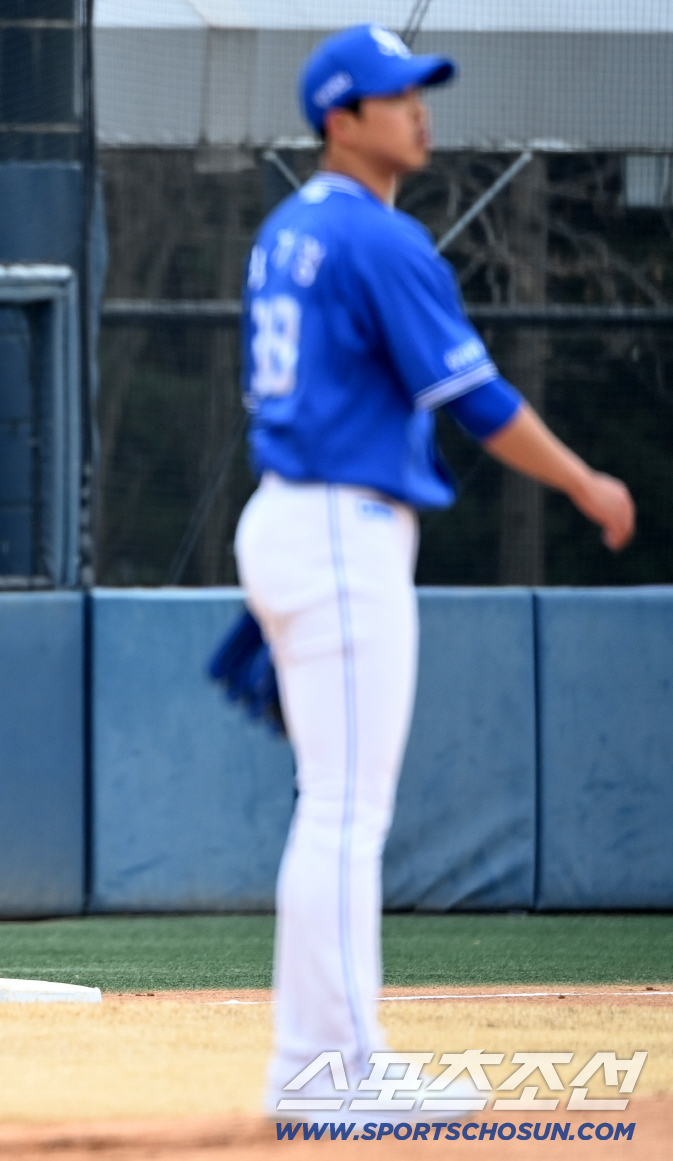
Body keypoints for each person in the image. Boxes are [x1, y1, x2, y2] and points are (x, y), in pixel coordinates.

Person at [235, 25, 634, 1120]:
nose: (419, 108)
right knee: (344, 813)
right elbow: (478, 402)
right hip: (337, 524)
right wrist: (588, 483)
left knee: (338, 806)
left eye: (419, 90)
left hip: (300, 515)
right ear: (340, 117)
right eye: (395, 93)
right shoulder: (376, 239)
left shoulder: (289, 228)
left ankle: (332, 1062)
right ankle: (331, 1075)